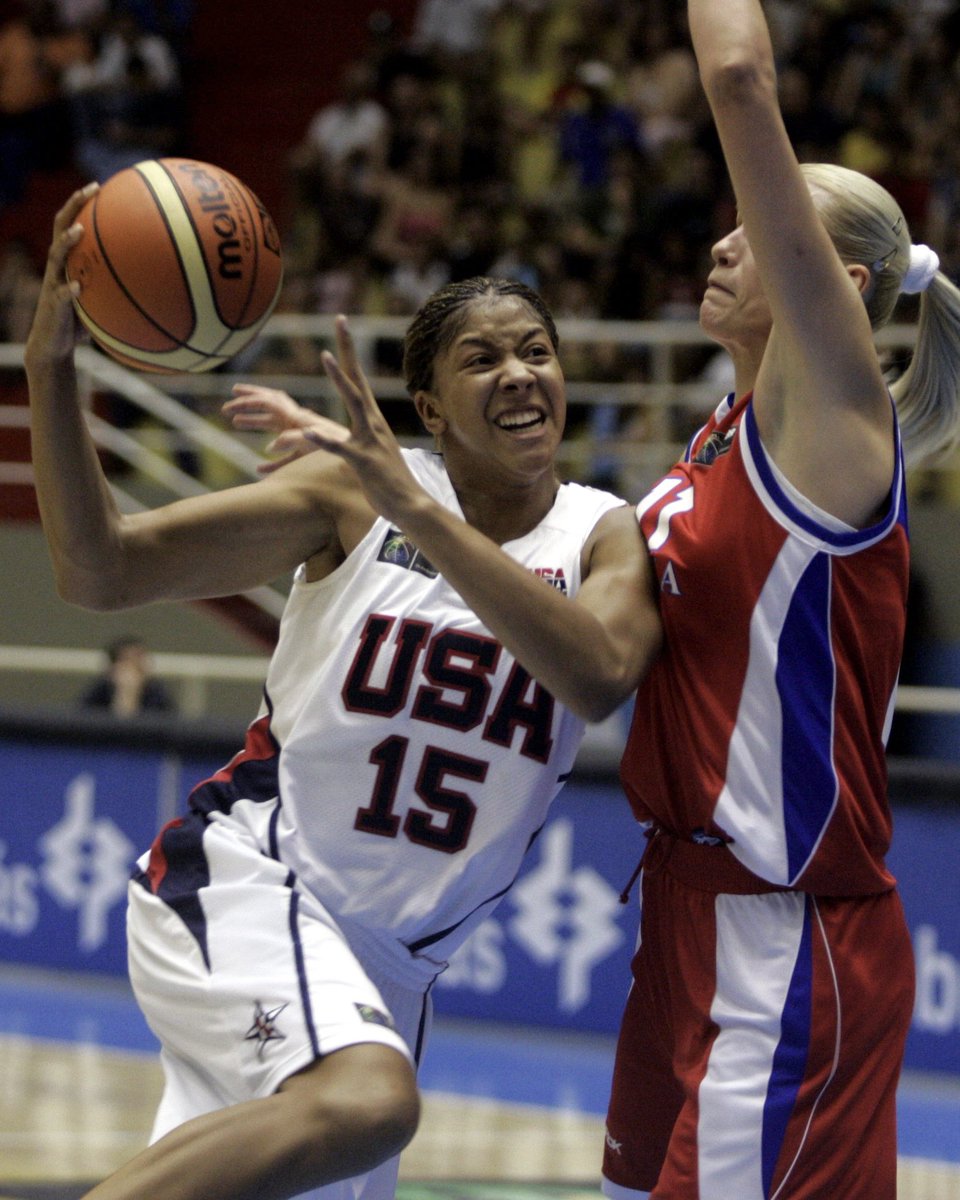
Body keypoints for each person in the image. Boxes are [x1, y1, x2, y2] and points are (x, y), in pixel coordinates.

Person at [26, 197, 661, 1200]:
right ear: (430, 403)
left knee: (343, 1117)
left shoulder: (599, 533)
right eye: (483, 360)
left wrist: (425, 515)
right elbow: (99, 571)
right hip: (255, 880)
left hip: (393, 974)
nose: (521, 375)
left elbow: (596, 675)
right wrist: (50, 373)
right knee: (370, 1105)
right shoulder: (354, 493)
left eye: (536, 351)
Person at [600, 2, 960, 1199]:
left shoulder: (835, 424)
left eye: (751, 232)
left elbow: (741, 80)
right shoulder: (719, 432)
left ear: (833, 285)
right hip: (683, 916)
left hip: (788, 935)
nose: (720, 248)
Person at [77, 634, 176, 717]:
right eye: (127, 660)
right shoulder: (99, 690)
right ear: (113, 668)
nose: (134, 667)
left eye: (139, 659)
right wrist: (124, 694)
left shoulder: (157, 692)